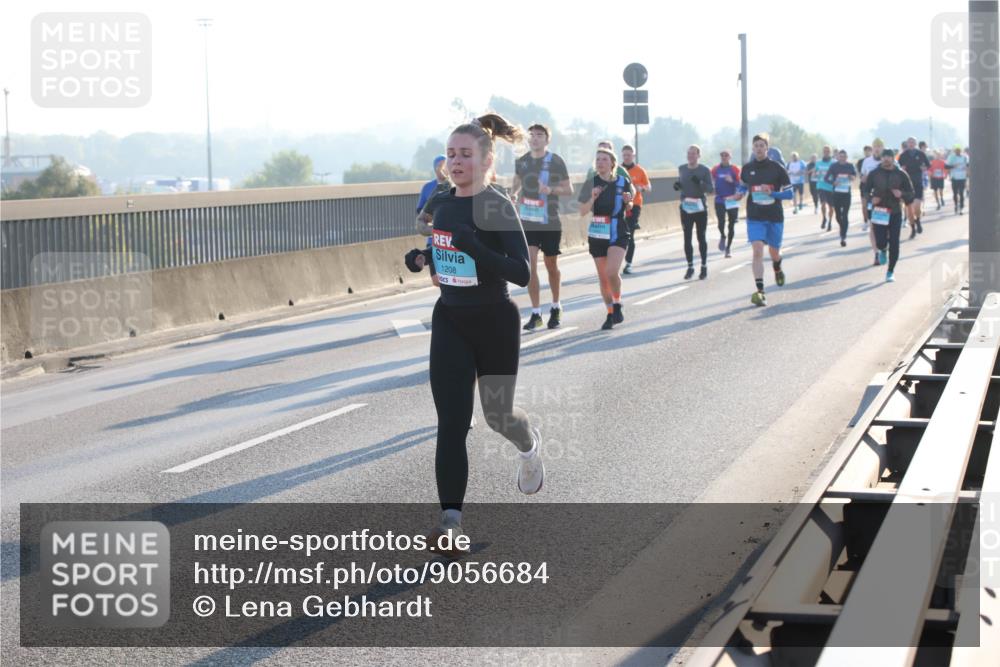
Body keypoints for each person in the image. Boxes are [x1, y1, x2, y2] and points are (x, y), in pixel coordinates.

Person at [404, 113, 543, 554]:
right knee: (452, 423)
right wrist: (424, 258)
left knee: (498, 417)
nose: (456, 161)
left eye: (465, 154)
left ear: (486, 160)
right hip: (451, 318)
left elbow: (522, 272)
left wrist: (476, 248)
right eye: (451, 155)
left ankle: (529, 446)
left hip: (495, 322)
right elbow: (444, 247)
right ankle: (450, 523)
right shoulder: (443, 202)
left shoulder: (497, 205)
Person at [512, 124, 572, 332]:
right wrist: (512, 195)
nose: (535, 138)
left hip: (550, 221)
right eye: (532, 135)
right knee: (531, 266)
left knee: (551, 266)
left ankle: (556, 306)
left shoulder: (556, 161)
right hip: (528, 221)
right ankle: (536, 312)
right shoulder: (522, 161)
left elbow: (568, 189)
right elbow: (516, 185)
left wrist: (550, 189)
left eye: (540, 135)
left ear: (547, 140)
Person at [578, 147, 633, 330]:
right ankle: (610, 313)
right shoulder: (591, 183)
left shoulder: (622, 181)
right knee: (603, 278)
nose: (600, 162)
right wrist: (593, 197)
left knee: (611, 272)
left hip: (617, 229)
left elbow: (630, 203)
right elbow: (582, 211)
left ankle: (617, 302)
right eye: (598, 159)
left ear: (612, 163)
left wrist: (628, 201)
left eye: (604, 159)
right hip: (598, 231)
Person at [735, 133, 791, 306]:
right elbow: (743, 185)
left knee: (774, 252)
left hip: (774, 216)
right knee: (757, 250)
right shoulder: (747, 168)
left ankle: (777, 266)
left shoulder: (777, 168)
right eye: (756, 146)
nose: (759, 148)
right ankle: (760, 291)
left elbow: (789, 193)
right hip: (755, 216)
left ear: (767, 148)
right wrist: (739, 193)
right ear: (753, 148)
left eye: (762, 146)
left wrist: (772, 193)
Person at [862, 148, 915, 282]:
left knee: (895, 243)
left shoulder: (901, 174)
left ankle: (890, 271)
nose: (886, 159)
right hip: (879, 211)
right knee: (880, 242)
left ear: (893, 159)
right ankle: (882, 249)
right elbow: (866, 191)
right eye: (884, 157)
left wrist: (901, 194)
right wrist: (871, 199)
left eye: (889, 157)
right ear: (881, 159)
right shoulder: (874, 174)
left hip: (895, 211)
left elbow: (911, 192)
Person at [674, 145, 714, 280]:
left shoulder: (704, 170)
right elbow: (681, 183)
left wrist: (700, 183)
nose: (690, 156)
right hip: (686, 207)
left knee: (701, 237)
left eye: (693, 154)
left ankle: (703, 266)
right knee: (687, 237)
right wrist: (677, 185)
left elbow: (710, 189)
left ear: (698, 155)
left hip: (700, 207)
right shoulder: (682, 169)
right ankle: (690, 267)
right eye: (689, 154)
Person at [414, 156, 452, 286]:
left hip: (451, 239)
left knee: (449, 277)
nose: (441, 169)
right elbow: (420, 210)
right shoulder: (428, 187)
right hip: (433, 238)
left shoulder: (454, 185)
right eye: (439, 166)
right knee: (436, 280)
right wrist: (430, 219)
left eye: (444, 165)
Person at [621, 144, 651, 275]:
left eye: (629, 155)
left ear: (633, 156)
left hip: (635, 205)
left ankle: (628, 263)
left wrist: (641, 188)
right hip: (620, 205)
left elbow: (649, 187)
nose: (627, 157)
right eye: (624, 155)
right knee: (620, 234)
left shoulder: (640, 170)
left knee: (630, 235)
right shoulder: (618, 170)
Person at [823, 149, 857, 247]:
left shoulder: (850, 166)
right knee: (838, 216)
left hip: (846, 193)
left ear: (846, 157)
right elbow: (826, 178)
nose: (842, 158)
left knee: (845, 214)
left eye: (844, 157)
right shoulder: (834, 166)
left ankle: (843, 236)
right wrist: (833, 182)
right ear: (838, 157)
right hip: (836, 193)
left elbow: (855, 175)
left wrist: (852, 178)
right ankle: (843, 227)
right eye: (840, 156)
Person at [898, 137, 930, 239]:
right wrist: (901, 169)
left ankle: (918, 221)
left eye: (913, 142)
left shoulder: (920, 154)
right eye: (909, 142)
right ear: (907, 144)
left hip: (917, 183)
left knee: (917, 208)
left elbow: (928, 165)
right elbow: (897, 169)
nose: (911, 144)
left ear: (915, 143)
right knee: (909, 210)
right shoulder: (903, 155)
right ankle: (913, 229)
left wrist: (924, 168)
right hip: (906, 185)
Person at [712, 149, 741, 258]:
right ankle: (723, 236)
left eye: (726, 155)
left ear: (730, 157)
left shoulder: (735, 169)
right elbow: (710, 180)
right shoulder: (715, 169)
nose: (724, 157)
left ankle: (728, 248)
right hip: (720, 200)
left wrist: (732, 181)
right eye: (722, 155)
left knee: (731, 225)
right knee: (720, 223)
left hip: (732, 200)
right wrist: (712, 188)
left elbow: (740, 185)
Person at [860, 139, 886, 264]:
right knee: (873, 226)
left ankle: (883, 249)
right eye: (875, 146)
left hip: (886, 198)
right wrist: (864, 179)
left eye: (879, 146)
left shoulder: (888, 159)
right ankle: (876, 253)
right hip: (873, 197)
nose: (877, 149)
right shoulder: (867, 161)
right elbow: (862, 177)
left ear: (883, 148)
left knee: (885, 226)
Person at [814, 146, 836, 230]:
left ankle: (830, 221)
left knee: (831, 207)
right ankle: (824, 218)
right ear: (823, 152)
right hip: (821, 185)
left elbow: (836, 173)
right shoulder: (818, 163)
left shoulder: (833, 163)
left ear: (830, 152)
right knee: (823, 203)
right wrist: (815, 174)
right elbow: (814, 173)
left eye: (828, 151)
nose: (826, 153)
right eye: (824, 151)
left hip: (830, 187)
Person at [945, 145, 969, 215]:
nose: (958, 151)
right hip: (954, 178)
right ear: (954, 150)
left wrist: (967, 169)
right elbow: (946, 166)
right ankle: (956, 205)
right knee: (955, 193)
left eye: (959, 150)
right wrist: (953, 166)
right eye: (956, 150)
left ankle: (961, 206)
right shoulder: (951, 157)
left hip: (962, 177)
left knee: (961, 193)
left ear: (961, 150)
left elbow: (969, 164)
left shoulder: (965, 157)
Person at [855, 146, 873, 230]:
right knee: (864, 205)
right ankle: (866, 222)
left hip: (875, 186)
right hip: (864, 185)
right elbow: (860, 173)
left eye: (869, 151)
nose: (867, 152)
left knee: (873, 205)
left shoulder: (876, 160)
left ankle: (873, 221)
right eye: (866, 151)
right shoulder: (861, 161)